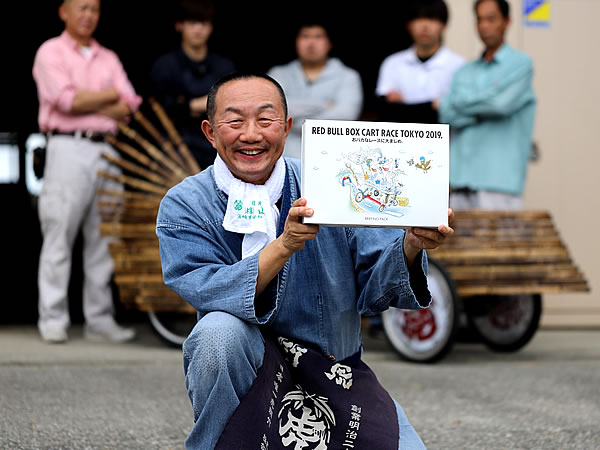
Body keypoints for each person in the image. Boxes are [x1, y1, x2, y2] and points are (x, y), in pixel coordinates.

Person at [156, 72, 454, 449]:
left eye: (265, 120)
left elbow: (378, 287)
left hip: (335, 372)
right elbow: (206, 289)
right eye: (234, 121)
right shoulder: (185, 203)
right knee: (216, 334)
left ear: (287, 127)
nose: (251, 134)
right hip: (251, 369)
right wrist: (284, 245)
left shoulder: (332, 183)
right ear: (210, 132)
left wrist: (411, 244)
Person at [32, 0, 141, 344]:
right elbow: (66, 102)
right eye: (81, 8)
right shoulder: (50, 51)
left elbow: (130, 104)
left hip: (107, 148)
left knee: (104, 238)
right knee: (59, 231)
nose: (88, 15)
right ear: (63, 11)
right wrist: (109, 96)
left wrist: (93, 99)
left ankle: (99, 319)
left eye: (94, 9)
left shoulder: (107, 56)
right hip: (66, 147)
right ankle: (52, 316)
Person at [439, 0, 536, 210]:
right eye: (480, 19)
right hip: (458, 181)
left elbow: (501, 105)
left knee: (501, 244)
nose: (484, 25)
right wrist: (482, 109)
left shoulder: (521, 64)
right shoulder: (464, 71)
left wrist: (463, 105)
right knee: (455, 244)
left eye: (491, 19)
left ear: (507, 21)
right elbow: (446, 113)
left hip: (499, 184)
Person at [151, 0, 235, 170]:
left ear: (211, 27)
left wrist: (192, 105)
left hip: (218, 149)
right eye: (192, 23)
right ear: (179, 25)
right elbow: (162, 110)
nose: (198, 29)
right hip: (175, 153)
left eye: (203, 23)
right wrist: (203, 104)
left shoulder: (224, 67)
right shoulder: (165, 66)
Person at [267, 21, 363, 159]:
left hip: (330, 156)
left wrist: (293, 121)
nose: (311, 42)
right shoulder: (278, 73)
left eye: (318, 36)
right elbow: (272, 109)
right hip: (282, 157)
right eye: (305, 36)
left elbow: (346, 115)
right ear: (296, 42)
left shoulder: (348, 76)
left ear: (329, 43)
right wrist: (323, 105)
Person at [375, 0, 464, 124]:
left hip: (446, 143)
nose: (425, 26)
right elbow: (386, 112)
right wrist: (433, 106)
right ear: (409, 24)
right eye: (419, 18)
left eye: (432, 18)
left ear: (444, 25)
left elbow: (458, 116)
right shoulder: (392, 64)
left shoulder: (459, 66)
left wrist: (403, 109)